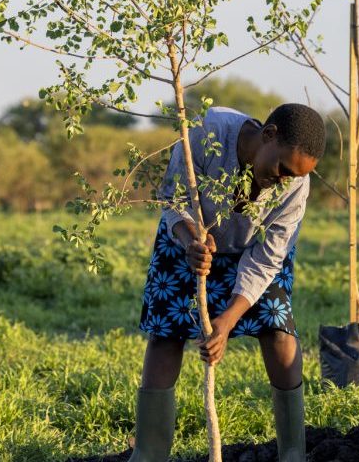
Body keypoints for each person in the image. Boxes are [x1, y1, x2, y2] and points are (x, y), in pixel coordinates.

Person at [128, 103, 325, 462]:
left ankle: (293, 454)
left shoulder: (296, 185)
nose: (285, 181)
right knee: (165, 334)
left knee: (278, 330)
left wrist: (227, 320)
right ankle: (148, 454)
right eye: (282, 169)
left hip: (254, 250)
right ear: (269, 135)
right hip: (186, 236)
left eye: (294, 177)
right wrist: (192, 242)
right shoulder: (207, 133)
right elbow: (174, 199)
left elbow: (268, 258)